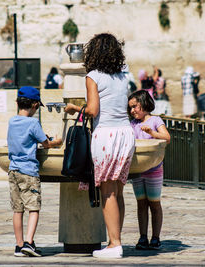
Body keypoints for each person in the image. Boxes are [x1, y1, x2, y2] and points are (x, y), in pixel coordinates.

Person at [64, 33, 135, 259]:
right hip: (126, 134)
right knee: (118, 191)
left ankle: (114, 245)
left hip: (106, 134)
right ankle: (117, 240)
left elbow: (93, 110)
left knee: (107, 193)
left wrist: (74, 108)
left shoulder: (93, 76)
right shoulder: (123, 76)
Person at [7, 86, 62, 257]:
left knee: (18, 209)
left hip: (13, 170)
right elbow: (45, 143)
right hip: (29, 171)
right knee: (33, 208)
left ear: (17, 103)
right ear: (35, 105)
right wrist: (57, 142)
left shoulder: (12, 121)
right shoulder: (33, 122)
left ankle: (18, 245)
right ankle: (29, 243)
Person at [128, 90, 170, 250]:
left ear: (144, 103)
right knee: (141, 204)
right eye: (130, 108)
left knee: (154, 203)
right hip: (138, 170)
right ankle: (143, 236)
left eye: (135, 107)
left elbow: (167, 138)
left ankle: (156, 237)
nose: (132, 111)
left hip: (153, 169)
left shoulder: (155, 120)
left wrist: (151, 133)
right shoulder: (133, 124)